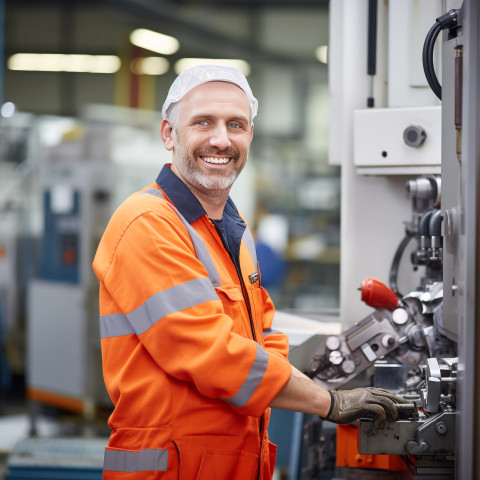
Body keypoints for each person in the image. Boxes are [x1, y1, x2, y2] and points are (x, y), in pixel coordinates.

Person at [93, 65, 406, 480]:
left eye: (235, 125)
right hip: (169, 468)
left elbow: (264, 339)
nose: (221, 139)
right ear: (169, 134)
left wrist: (314, 387)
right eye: (203, 122)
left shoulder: (234, 232)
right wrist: (329, 402)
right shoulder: (147, 222)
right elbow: (211, 354)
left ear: (250, 137)